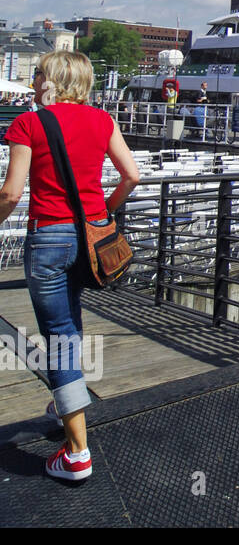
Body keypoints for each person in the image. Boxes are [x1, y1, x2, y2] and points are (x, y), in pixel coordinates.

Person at [0, 51, 140, 481]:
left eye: (39, 73)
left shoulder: (29, 122)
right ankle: (67, 399)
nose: (36, 80)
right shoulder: (102, 120)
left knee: (59, 336)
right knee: (70, 328)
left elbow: (10, 195)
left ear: (52, 80)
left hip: (49, 238)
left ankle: (77, 453)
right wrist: (106, 215)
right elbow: (132, 175)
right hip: (92, 238)